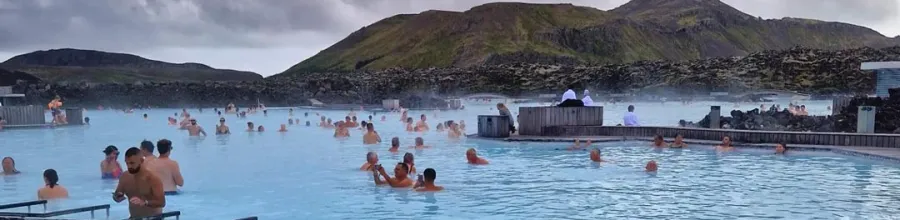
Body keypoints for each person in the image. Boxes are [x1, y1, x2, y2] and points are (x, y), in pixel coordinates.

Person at [113, 147, 166, 218]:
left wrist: (145, 202)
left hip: (153, 218)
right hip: (133, 217)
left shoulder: (152, 178)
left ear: (141, 160)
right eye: (127, 163)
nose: (129, 166)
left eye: (132, 163)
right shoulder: (125, 177)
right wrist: (117, 196)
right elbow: (117, 195)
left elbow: (161, 202)